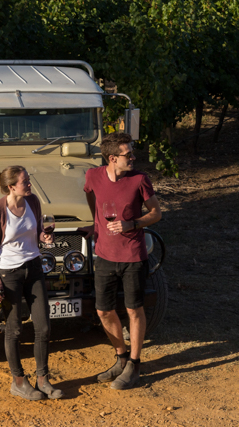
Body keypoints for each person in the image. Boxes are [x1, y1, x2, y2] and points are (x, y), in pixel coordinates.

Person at [0, 165, 62, 401]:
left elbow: (36, 231)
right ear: (11, 187)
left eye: (29, 180)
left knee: (43, 327)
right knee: (15, 329)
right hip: (8, 272)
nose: (30, 184)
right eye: (25, 182)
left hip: (33, 268)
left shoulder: (33, 202)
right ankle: (19, 381)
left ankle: (43, 379)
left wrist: (44, 236)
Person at [84, 131, 162, 390]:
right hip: (105, 254)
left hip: (133, 255)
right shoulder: (92, 176)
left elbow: (156, 213)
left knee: (133, 310)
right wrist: (95, 225)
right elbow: (91, 198)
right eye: (128, 155)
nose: (133, 158)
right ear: (112, 158)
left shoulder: (140, 179)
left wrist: (132, 224)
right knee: (103, 311)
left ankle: (135, 365)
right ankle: (121, 357)